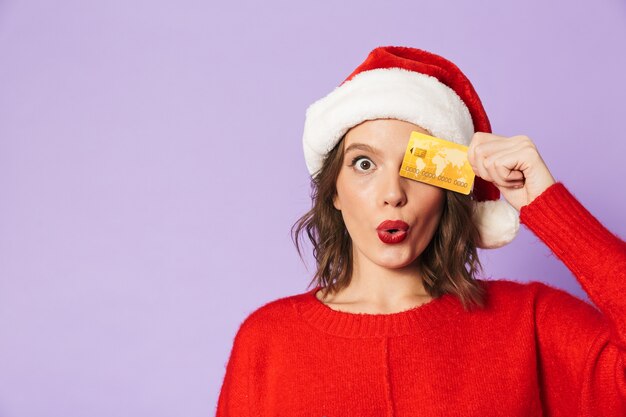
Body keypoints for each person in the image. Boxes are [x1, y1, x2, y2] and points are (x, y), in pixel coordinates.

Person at [215, 46, 626, 416]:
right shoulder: (267, 342)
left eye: (416, 167)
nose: (393, 194)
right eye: (364, 164)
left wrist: (546, 202)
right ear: (334, 191)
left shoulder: (530, 323)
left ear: (448, 188)